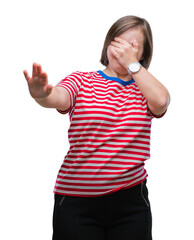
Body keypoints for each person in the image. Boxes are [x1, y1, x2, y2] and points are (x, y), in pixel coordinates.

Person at [23, 15, 170, 240]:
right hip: (76, 202)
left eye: (131, 46)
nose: (122, 50)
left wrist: (133, 65)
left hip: (131, 203)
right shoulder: (82, 80)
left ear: (143, 55)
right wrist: (42, 95)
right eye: (117, 41)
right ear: (108, 44)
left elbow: (161, 102)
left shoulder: (144, 89)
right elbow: (59, 97)